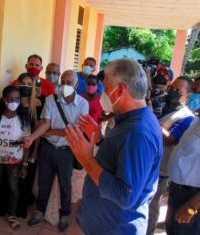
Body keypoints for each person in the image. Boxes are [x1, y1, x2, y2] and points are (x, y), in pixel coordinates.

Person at [66, 58, 163, 235]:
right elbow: (121, 160)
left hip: (114, 228)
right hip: (95, 219)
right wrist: (100, 140)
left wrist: (86, 160)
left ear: (120, 90)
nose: (103, 93)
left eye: (107, 89)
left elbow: (124, 195)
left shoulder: (138, 132)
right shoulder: (130, 121)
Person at [24, 70, 89, 232]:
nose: (66, 85)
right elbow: (45, 123)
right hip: (47, 148)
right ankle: (40, 212)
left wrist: (53, 131)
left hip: (67, 151)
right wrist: (32, 137)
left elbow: (77, 130)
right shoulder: (51, 99)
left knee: (65, 185)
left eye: (69, 82)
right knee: (43, 182)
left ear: (76, 85)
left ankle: (65, 214)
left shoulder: (82, 104)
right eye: (63, 82)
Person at [147, 76, 195, 235]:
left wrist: (150, 118)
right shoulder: (166, 106)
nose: (172, 92)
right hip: (149, 163)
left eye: (178, 91)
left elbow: (168, 139)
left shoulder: (186, 117)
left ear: (186, 96)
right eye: (172, 88)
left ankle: (148, 231)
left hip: (161, 170)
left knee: (152, 205)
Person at [0, 86, 31, 231]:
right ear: (4, 100)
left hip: (14, 163)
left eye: (17, 99)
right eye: (10, 99)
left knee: (13, 189)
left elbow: (27, 144)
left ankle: (12, 215)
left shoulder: (24, 119)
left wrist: (24, 164)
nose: (14, 101)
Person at [165, 76, 200, 234]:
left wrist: (192, 207)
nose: (193, 96)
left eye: (196, 91)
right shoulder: (196, 120)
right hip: (178, 192)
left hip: (191, 198)